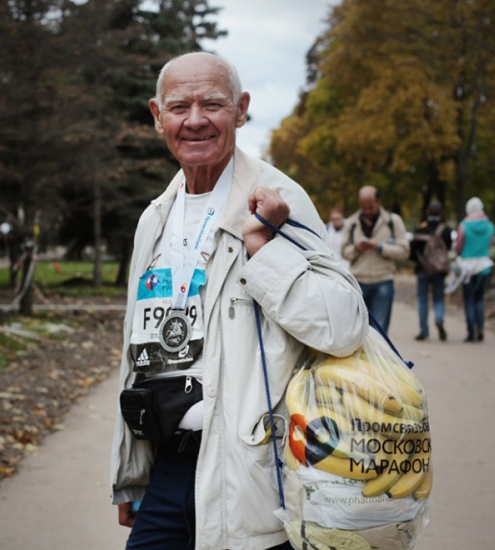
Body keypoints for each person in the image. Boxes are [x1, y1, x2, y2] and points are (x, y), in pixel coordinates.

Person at [109, 52, 368, 550]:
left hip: (251, 472)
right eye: (179, 106)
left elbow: (343, 325)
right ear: (157, 115)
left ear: (242, 109)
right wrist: (133, 472)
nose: (196, 120)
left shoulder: (277, 198)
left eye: (213, 104)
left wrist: (264, 248)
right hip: (170, 465)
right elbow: (138, 354)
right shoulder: (154, 218)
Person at [341, 186, 409, 333]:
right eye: (363, 207)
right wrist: (357, 249)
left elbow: (404, 251)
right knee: (357, 331)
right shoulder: (351, 223)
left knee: (380, 332)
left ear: (378, 201)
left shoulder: (393, 221)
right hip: (358, 283)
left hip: (383, 281)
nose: (367, 211)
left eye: (370, 207)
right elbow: (344, 252)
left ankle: (378, 357)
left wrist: (380, 247)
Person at [408, 200, 453, 341]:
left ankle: (424, 332)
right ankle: (439, 318)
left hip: (423, 269)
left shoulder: (421, 230)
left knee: (422, 300)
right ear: (441, 213)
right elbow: (449, 249)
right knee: (438, 298)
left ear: (427, 212)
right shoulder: (446, 231)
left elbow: (412, 251)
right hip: (439, 271)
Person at [456, 196, 495, 342]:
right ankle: (481, 327)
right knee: (479, 299)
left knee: (469, 300)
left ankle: (471, 331)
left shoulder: (464, 226)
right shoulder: (490, 226)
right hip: (484, 266)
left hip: (467, 267)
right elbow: (489, 245)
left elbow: (459, 246)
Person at [325, 205, 350, 271]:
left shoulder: (349, 227)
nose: (335, 222)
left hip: (347, 266)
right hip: (332, 265)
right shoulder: (327, 229)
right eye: (333, 219)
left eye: (337, 219)